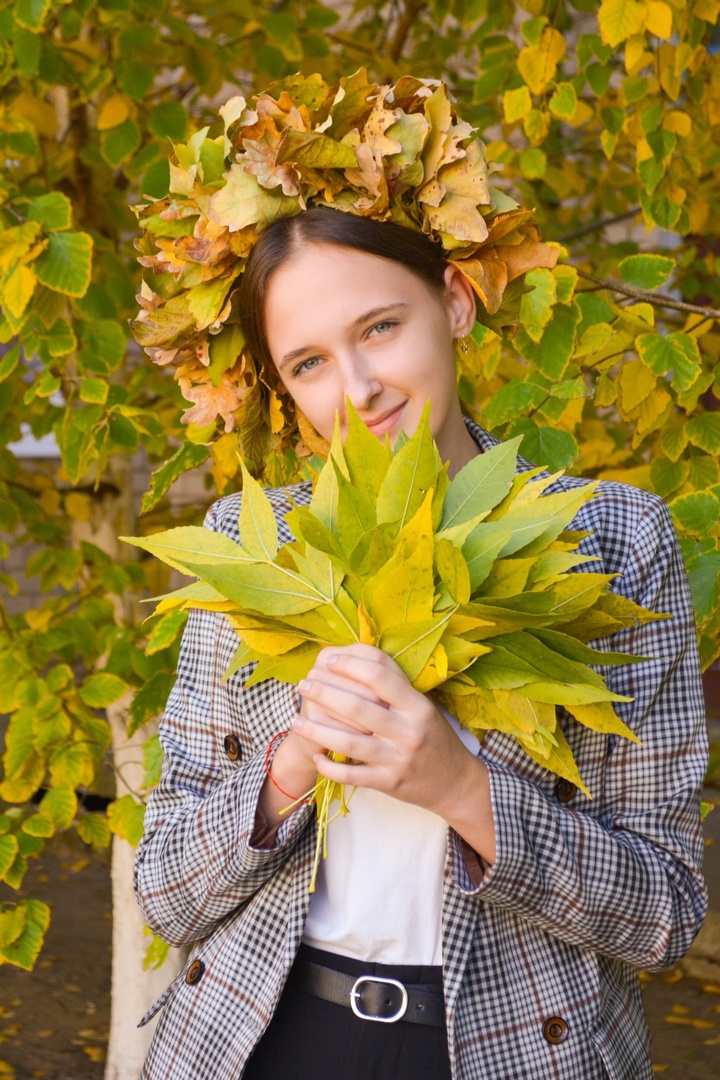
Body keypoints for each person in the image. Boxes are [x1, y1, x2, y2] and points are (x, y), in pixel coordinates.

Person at [132, 80, 708, 1080]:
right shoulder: (251, 546)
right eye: (308, 361)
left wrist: (461, 787)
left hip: (511, 1054)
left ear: (452, 298)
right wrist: (286, 771)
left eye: (381, 328)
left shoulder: (614, 543)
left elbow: (664, 916)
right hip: (259, 1043)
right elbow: (165, 895)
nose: (356, 390)